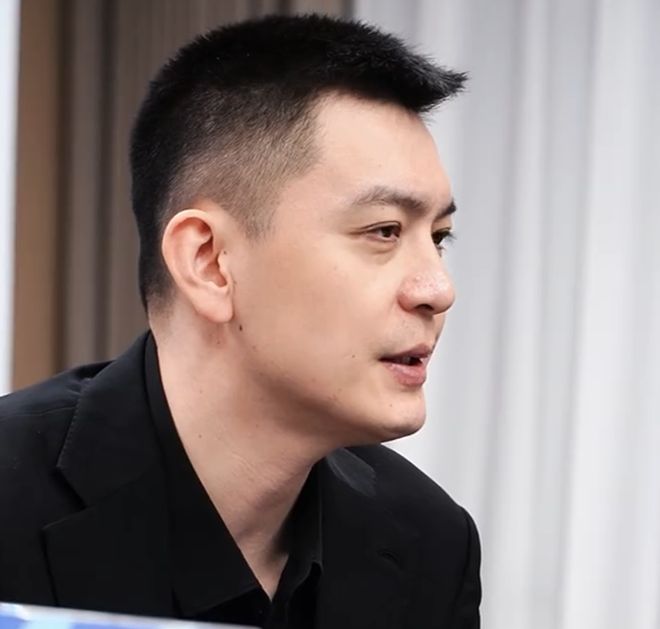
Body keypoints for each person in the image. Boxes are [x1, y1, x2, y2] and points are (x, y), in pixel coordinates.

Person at [0, 13, 481, 629]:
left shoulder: (429, 543)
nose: (438, 290)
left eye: (438, 238)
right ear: (209, 262)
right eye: (384, 230)